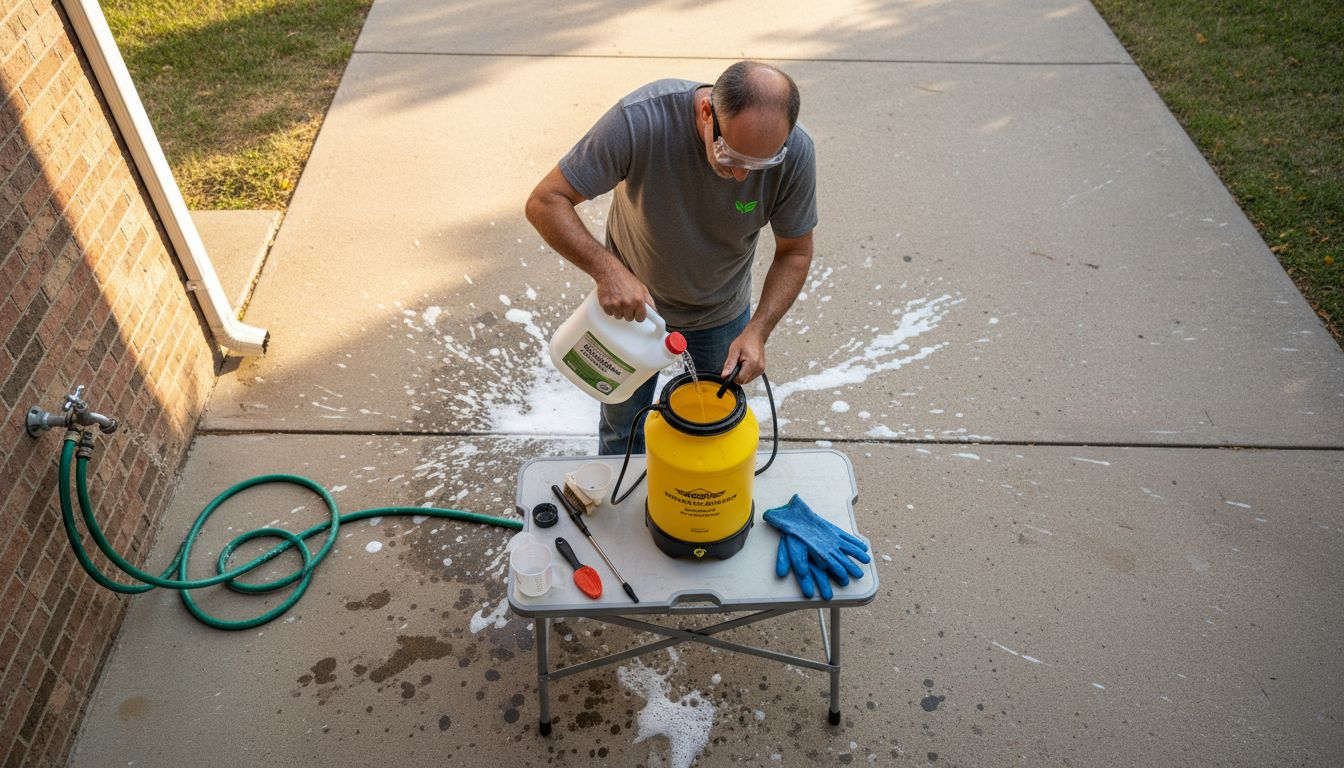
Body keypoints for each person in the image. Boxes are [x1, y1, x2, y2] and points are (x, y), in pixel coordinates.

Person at [526, 60, 817, 455]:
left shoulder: (796, 154)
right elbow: (546, 201)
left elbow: (795, 252)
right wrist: (608, 272)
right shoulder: (640, 121)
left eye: (759, 164)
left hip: (721, 316)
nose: (742, 178)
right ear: (706, 113)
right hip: (632, 314)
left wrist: (757, 331)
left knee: (711, 436)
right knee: (622, 432)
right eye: (731, 156)